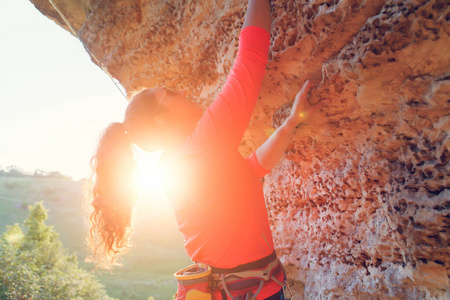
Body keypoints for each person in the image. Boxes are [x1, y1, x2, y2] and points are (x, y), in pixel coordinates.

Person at [86, 0, 328, 299]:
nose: (184, 92)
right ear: (162, 118)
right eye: (172, 93)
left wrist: (291, 124)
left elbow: (250, 172)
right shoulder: (203, 144)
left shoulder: (173, 163)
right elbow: (250, 60)